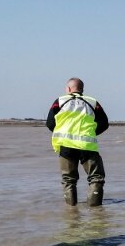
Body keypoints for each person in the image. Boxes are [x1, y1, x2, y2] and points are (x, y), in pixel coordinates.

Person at [46, 77, 109, 206]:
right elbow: (104, 123)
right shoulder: (92, 102)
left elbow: (50, 123)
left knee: (68, 180)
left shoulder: (60, 101)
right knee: (96, 178)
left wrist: (62, 132)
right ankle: (95, 210)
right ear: (82, 89)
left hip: (66, 146)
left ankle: (71, 211)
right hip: (87, 145)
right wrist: (91, 132)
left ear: (69, 89)